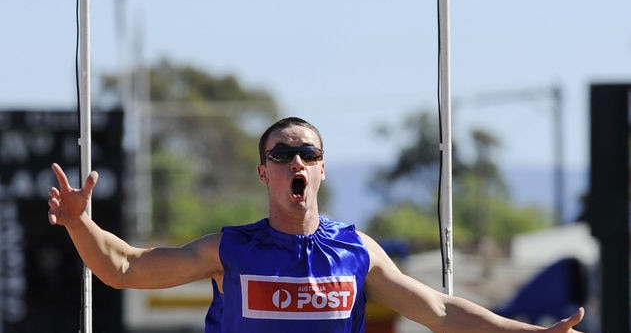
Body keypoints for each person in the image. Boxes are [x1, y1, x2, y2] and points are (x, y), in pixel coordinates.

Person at [47, 117, 586, 332]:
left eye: (308, 152)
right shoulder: (232, 249)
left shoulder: (357, 251)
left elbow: (441, 311)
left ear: (322, 168)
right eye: (282, 154)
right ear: (264, 172)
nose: (295, 161)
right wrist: (79, 224)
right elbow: (126, 268)